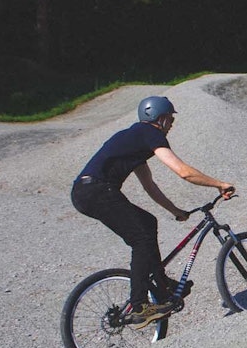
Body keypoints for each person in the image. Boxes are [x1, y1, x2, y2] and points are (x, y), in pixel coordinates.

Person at [71, 95, 234, 328]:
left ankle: (161, 285)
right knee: (140, 238)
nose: (172, 124)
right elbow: (183, 172)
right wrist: (219, 184)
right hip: (97, 191)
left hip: (84, 192)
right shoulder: (151, 134)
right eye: (170, 118)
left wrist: (176, 211)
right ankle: (139, 306)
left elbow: (150, 186)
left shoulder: (133, 139)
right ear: (160, 118)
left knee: (148, 223)